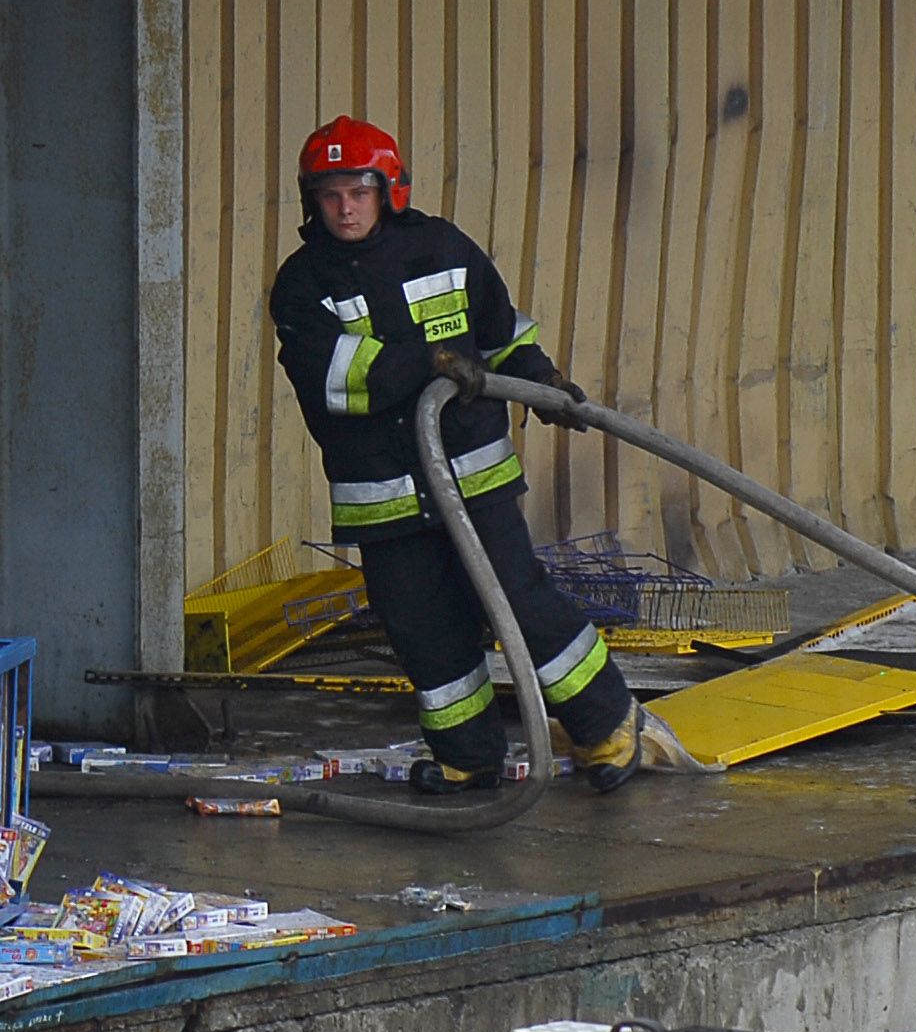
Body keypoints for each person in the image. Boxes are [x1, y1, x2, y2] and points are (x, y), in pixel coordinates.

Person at [268, 115, 686, 792]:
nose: (345, 208)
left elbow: (500, 333)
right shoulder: (301, 284)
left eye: (358, 190)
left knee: (519, 602)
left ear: (388, 189)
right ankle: (470, 760)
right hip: (384, 495)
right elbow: (332, 376)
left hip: (472, 477)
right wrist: (429, 362)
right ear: (311, 201)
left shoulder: (442, 249)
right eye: (330, 195)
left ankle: (609, 726)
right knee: (424, 630)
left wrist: (542, 379)